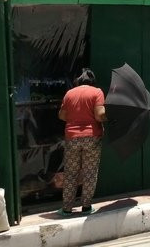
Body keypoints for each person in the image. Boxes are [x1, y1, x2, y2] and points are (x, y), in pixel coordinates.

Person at [57, 68, 106, 216]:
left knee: (71, 172)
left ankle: (66, 208)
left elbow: (62, 116)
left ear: (78, 80)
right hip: (92, 137)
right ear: (92, 80)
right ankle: (86, 207)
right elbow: (99, 116)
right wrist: (108, 116)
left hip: (72, 137)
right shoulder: (97, 92)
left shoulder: (69, 93)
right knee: (89, 172)